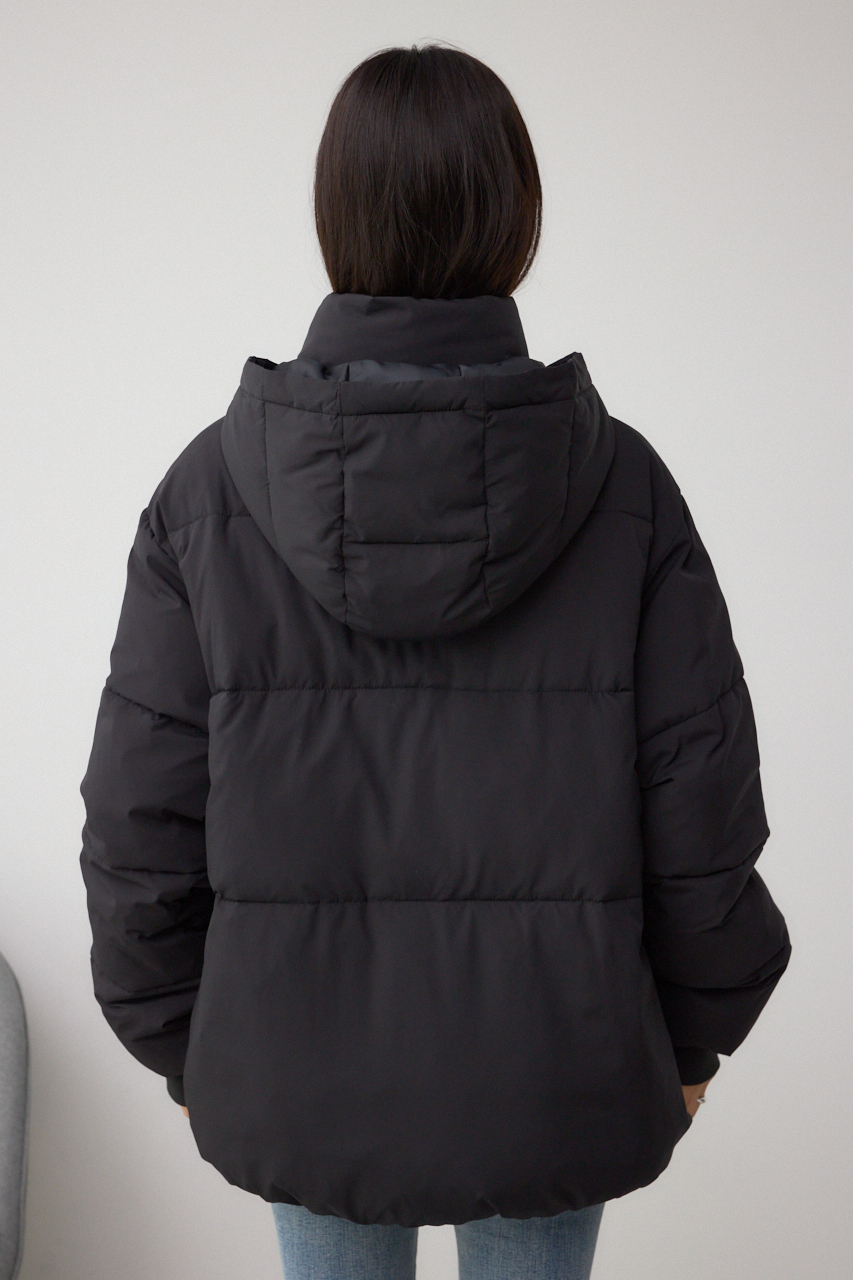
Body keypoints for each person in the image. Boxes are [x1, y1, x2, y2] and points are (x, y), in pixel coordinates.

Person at [79, 44, 791, 1280]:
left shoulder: (208, 494)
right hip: (557, 1072)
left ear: (333, 213)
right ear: (516, 214)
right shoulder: (622, 488)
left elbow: (140, 818)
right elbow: (703, 805)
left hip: (300, 1071)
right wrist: (691, 1039)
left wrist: (192, 1047)